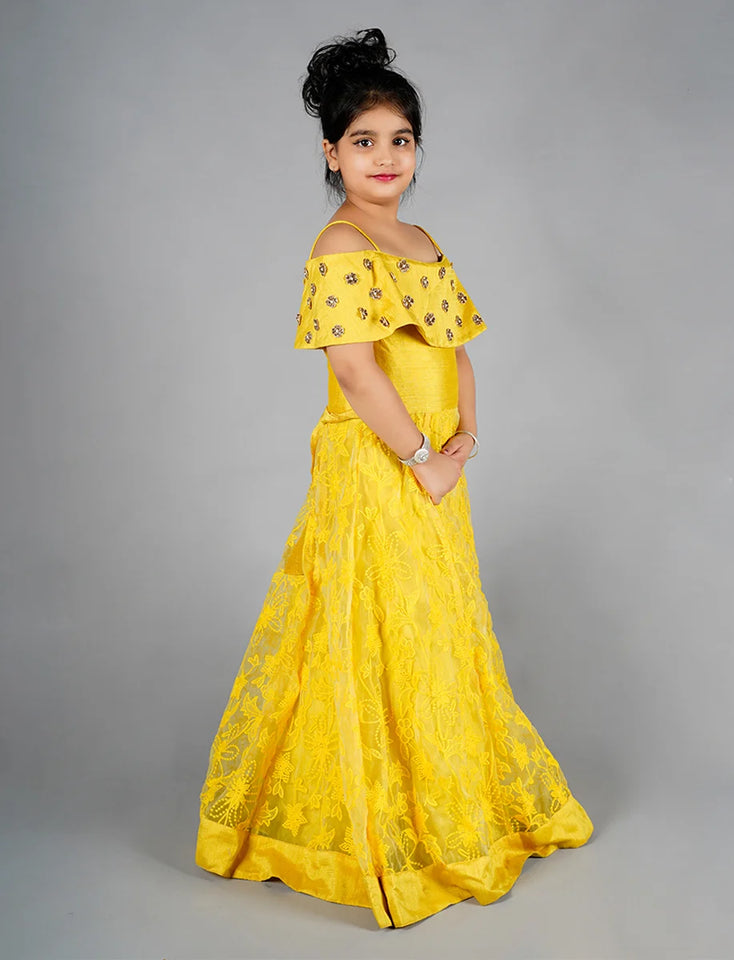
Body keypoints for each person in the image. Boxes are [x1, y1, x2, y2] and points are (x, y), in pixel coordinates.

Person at [194, 26, 594, 929]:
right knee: (371, 627)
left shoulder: (419, 238)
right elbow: (355, 370)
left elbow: (457, 353)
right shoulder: (339, 246)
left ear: (417, 149)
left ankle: (445, 799)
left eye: (401, 139)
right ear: (330, 154)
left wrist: (464, 445)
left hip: (435, 466)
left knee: (435, 627)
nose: (385, 156)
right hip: (382, 463)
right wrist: (420, 458)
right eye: (364, 140)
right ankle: (365, 828)